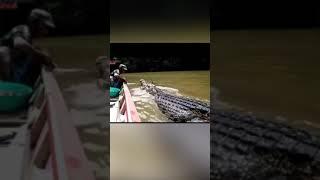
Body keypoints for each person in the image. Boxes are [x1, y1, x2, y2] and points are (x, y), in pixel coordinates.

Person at [0, 8, 56, 86]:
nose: (46, 31)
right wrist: (41, 55)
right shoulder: (23, 29)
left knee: (34, 52)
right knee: (3, 51)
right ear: (34, 22)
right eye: (44, 26)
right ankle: (9, 86)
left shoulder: (29, 38)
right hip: (4, 74)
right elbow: (19, 44)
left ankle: (19, 85)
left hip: (13, 70)